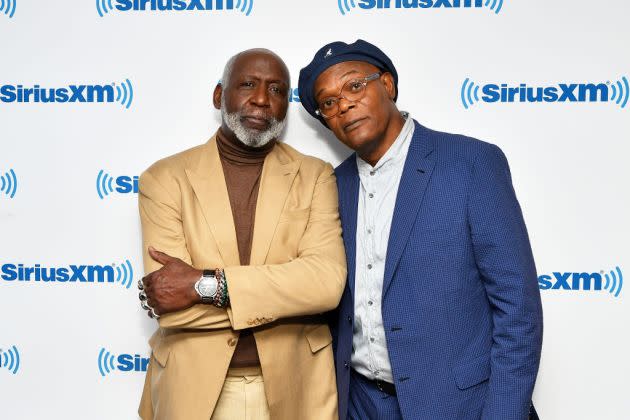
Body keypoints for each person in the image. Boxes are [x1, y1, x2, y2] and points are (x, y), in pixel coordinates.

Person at [298, 39, 543, 420]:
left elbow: (518, 309)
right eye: (327, 103)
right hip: (360, 404)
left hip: (459, 405)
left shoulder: (471, 163)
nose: (343, 104)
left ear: (388, 85)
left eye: (354, 86)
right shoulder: (332, 185)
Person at [136, 48, 346, 420]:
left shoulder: (315, 175)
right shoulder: (164, 178)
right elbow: (172, 310)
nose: (262, 99)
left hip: (296, 387)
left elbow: (325, 286)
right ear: (220, 95)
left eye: (278, 90)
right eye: (248, 84)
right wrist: (286, 300)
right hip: (194, 390)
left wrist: (205, 286)